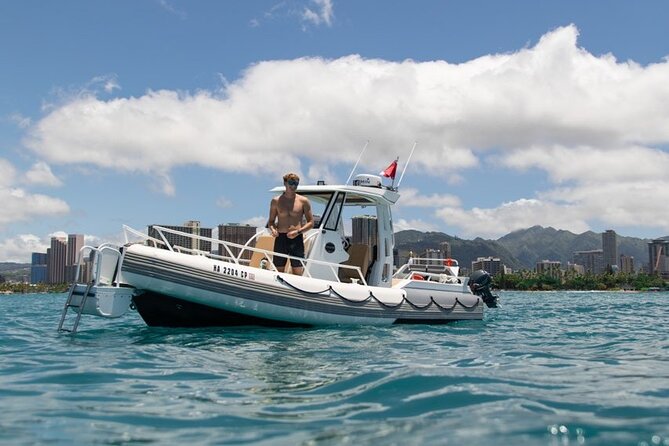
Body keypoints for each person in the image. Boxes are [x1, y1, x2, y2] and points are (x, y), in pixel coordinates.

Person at [267, 173, 314, 275]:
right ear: (285, 183)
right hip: (281, 238)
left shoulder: (303, 201)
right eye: (291, 183)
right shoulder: (276, 201)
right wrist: (273, 230)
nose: (293, 186)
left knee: (297, 272)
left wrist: (298, 232)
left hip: (296, 239)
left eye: (296, 184)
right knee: (278, 273)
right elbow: (271, 221)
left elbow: (311, 222)